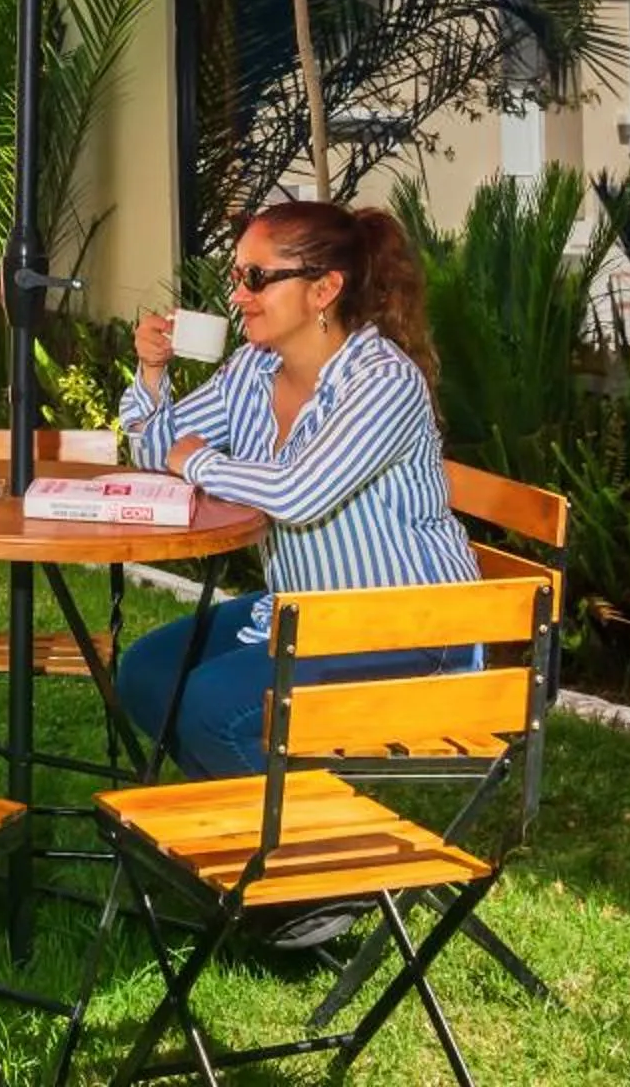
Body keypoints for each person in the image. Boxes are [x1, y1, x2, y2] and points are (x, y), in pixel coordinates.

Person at [114, 199, 476, 787]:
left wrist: (198, 460)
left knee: (213, 706)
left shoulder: (383, 383)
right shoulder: (252, 371)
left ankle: (305, 860)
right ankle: (248, 841)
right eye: (237, 277)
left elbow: (298, 493)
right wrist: (152, 373)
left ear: (324, 289)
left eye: (256, 278)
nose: (237, 296)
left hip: (413, 632)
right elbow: (157, 450)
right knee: (147, 675)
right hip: (308, 612)